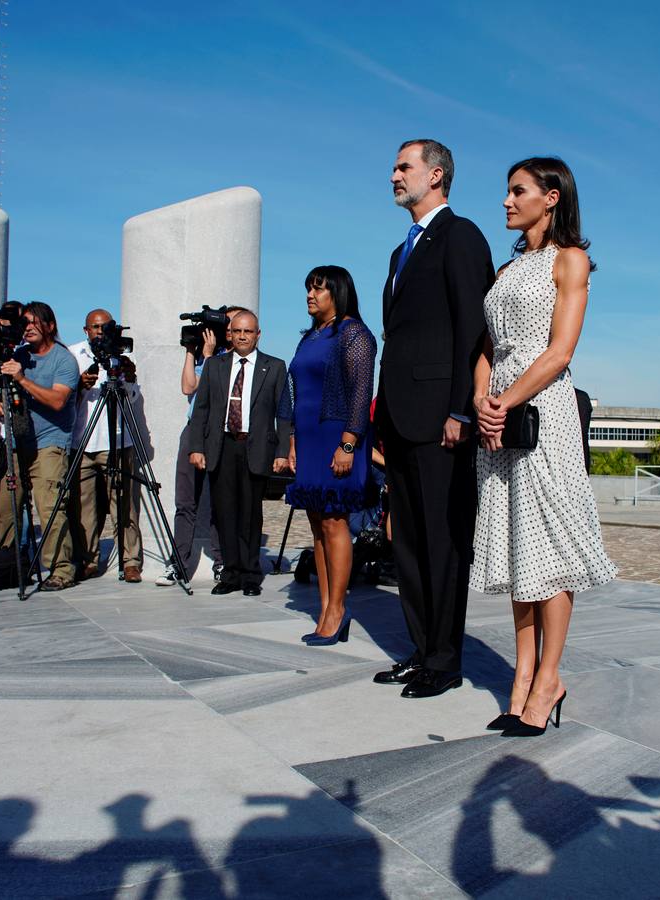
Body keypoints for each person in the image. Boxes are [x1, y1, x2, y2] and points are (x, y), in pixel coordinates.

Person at [472, 157, 618, 737]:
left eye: (518, 191)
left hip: (544, 416)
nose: (506, 201)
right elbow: (486, 348)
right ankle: (521, 677)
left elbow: (560, 353)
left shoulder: (570, 260)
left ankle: (548, 678)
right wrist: (483, 399)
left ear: (551, 197)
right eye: (507, 192)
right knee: (517, 548)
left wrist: (505, 403)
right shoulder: (508, 272)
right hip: (499, 418)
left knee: (550, 549)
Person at [372, 138, 493, 699]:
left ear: (436, 174)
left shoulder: (460, 236)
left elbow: (474, 327)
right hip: (400, 419)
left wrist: (458, 410)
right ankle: (420, 650)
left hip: (441, 419)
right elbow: (396, 338)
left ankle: (444, 661)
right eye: (396, 167)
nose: (394, 175)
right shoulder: (401, 252)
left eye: (404, 166)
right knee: (410, 545)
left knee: (443, 543)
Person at [285, 266, 377, 644]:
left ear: (337, 293)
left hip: (337, 438)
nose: (310, 295)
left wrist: (349, 443)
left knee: (336, 523)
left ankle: (338, 610)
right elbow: (295, 393)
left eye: (318, 289)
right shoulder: (310, 337)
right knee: (317, 527)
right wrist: (292, 441)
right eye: (308, 288)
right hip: (308, 440)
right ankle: (325, 607)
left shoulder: (353, 333)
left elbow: (360, 391)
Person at [186, 310, 291, 596]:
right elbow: (202, 410)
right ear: (229, 334)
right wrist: (197, 447)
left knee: (250, 513)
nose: (243, 336)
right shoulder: (214, 365)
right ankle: (230, 574)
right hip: (221, 445)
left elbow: (284, 414)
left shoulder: (276, 367)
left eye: (249, 331)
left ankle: (250, 574)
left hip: (255, 446)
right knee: (224, 513)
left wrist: (283, 451)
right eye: (238, 331)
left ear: (258, 334)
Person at [0, 302, 80, 591]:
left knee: (50, 507)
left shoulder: (63, 360)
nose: (27, 328)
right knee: (7, 506)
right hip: (19, 441)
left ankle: (61, 569)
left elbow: (58, 401)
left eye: (33, 322)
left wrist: (20, 378)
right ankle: (8, 564)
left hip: (50, 442)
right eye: (24, 324)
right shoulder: (18, 355)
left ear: (50, 326)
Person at [170, 308, 247, 585]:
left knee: (219, 502)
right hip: (193, 431)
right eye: (227, 322)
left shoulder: (233, 360)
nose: (230, 328)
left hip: (220, 433)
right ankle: (178, 563)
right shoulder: (208, 354)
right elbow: (188, 387)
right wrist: (191, 351)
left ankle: (221, 560)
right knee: (185, 502)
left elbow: (214, 390)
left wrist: (209, 358)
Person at [68, 309, 143, 583]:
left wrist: (129, 378)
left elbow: (133, 398)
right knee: (84, 507)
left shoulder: (123, 354)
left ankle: (130, 561)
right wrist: (79, 385)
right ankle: (87, 559)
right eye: (95, 327)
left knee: (124, 505)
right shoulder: (74, 354)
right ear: (86, 330)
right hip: (83, 441)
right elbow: (64, 395)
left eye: (105, 327)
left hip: (118, 441)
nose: (100, 332)